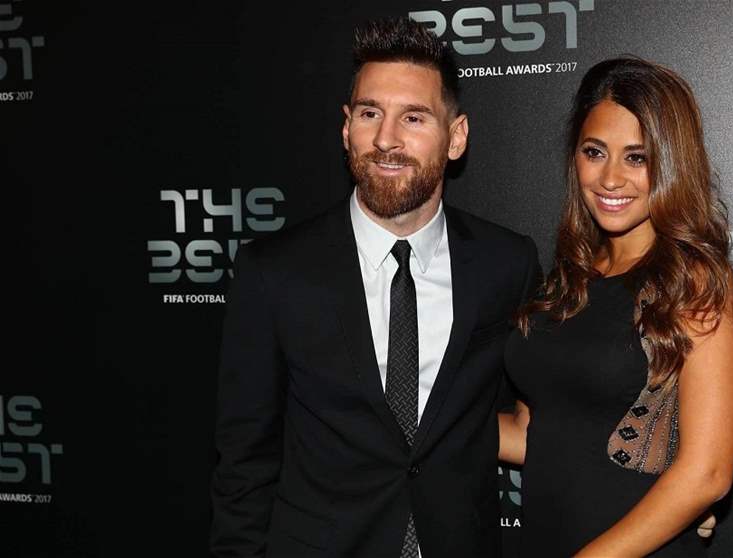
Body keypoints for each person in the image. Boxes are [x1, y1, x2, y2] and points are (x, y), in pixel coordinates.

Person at [208, 18, 542, 557]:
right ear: (346, 128)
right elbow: (244, 461)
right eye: (369, 114)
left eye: (413, 117)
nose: (386, 139)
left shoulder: (506, 264)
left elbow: (545, 413)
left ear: (456, 137)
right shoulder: (275, 272)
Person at [499, 57, 733, 557]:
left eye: (637, 158)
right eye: (595, 152)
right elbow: (533, 433)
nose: (611, 178)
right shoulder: (568, 279)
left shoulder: (693, 279)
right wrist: (413, 418)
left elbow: (708, 473)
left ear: (671, 164)